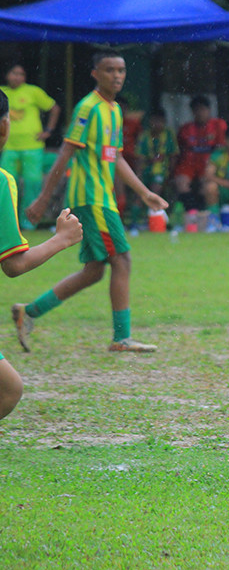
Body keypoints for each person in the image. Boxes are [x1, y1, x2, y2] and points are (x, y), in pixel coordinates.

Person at [15, 51, 169, 353]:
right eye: (109, 70)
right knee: (122, 260)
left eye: (121, 70)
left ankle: (28, 312)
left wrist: (143, 192)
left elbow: (116, 157)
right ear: (95, 73)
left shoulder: (114, 109)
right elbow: (65, 152)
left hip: (101, 199)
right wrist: (44, 199)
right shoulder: (88, 108)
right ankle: (121, 338)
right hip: (91, 199)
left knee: (95, 270)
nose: (117, 75)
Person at [0, 91, 82, 419]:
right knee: (9, 389)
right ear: (4, 127)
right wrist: (61, 239)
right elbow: (13, 264)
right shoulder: (2, 183)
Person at [0, 64, 61, 230]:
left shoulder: (33, 91)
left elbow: (54, 108)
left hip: (32, 146)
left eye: (21, 74)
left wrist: (48, 130)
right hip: (8, 147)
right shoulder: (2, 92)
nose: (17, 77)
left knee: (32, 183)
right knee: (5, 184)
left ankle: (28, 222)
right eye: (14, 73)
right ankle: (8, 222)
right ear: (7, 75)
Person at [174, 95, 226, 215]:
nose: (200, 113)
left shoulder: (218, 125)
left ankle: (205, 213)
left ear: (209, 110)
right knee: (181, 182)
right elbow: (181, 151)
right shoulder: (185, 129)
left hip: (210, 164)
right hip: (190, 164)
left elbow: (222, 149)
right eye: (196, 110)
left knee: (206, 184)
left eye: (202, 109)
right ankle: (192, 212)